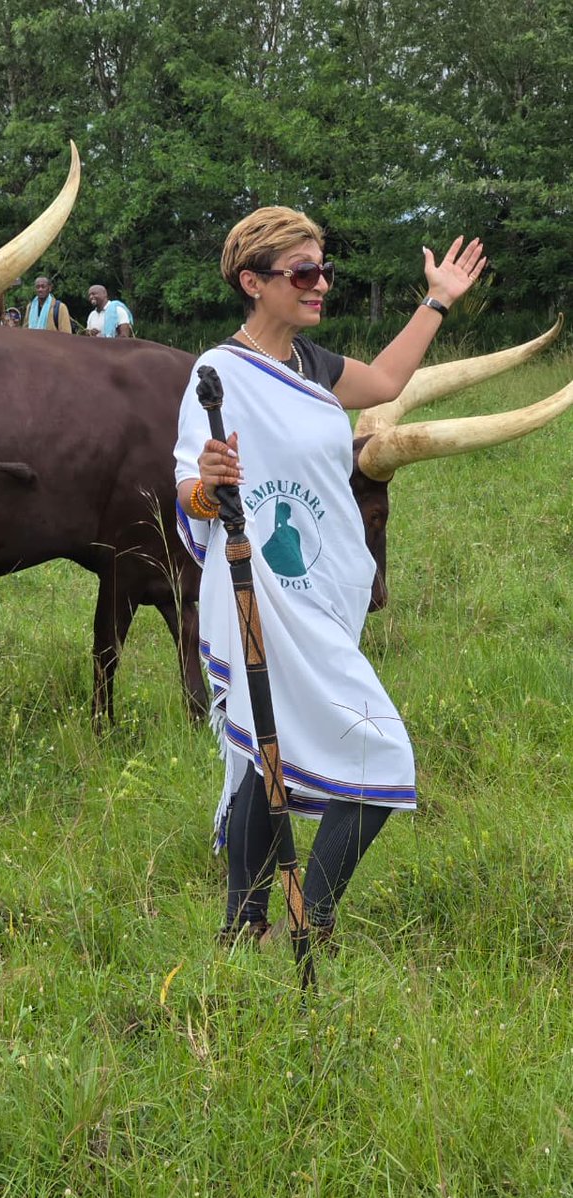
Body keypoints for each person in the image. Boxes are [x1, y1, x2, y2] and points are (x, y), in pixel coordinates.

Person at [174, 206, 485, 946]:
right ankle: (303, 924)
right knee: (372, 748)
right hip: (258, 595)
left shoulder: (310, 366)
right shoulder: (218, 372)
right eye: (303, 273)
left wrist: (435, 300)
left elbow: (381, 382)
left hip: (320, 593)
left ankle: (241, 927)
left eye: (325, 271)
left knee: (263, 750)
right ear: (253, 282)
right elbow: (188, 489)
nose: (320, 286)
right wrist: (209, 484)